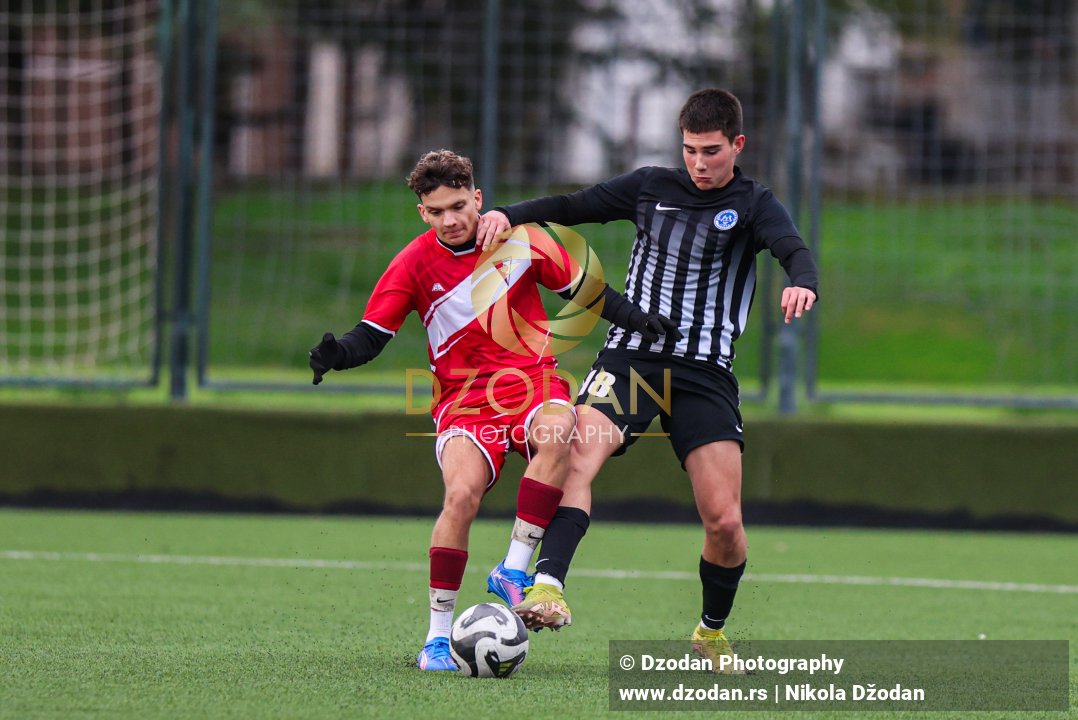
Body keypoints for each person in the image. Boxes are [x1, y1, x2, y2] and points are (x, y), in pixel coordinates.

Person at [476, 88, 818, 669]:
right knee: (577, 454)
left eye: (711, 151)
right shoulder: (651, 187)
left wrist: (801, 281)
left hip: (705, 373)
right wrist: (510, 213)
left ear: (737, 144)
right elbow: (572, 203)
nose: (699, 163)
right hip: (632, 358)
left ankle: (710, 630)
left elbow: (793, 250)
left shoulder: (755, 202)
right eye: (689, 150)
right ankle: (547, 586)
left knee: (726, 524)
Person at [307, 149, 679, 671]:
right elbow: (372, 335)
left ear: (477, 198)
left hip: (530, 383)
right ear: (423, 213)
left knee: (561, 426)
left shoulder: (520, 240)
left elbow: (588, 291)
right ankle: (438, 638)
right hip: (464, 401)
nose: (451, 220)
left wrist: (639, 320)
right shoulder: (413, 262)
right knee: (459, 497)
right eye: (436, 212)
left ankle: (513, 567)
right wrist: (337, 355)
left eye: (459, 206)